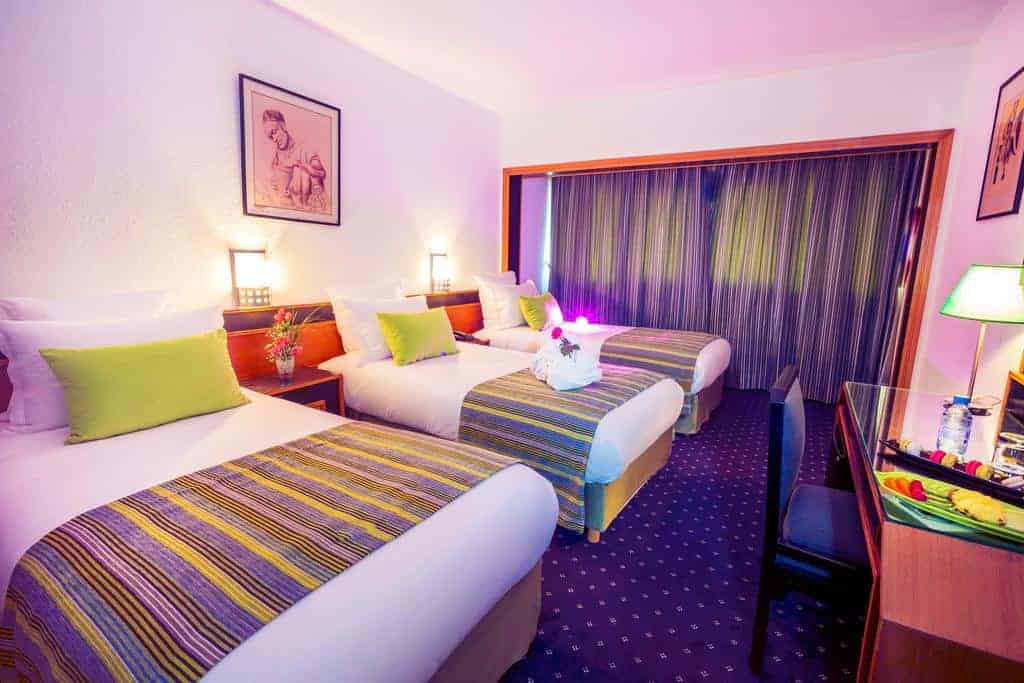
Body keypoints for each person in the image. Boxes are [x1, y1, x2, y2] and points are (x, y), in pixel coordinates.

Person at [261, 109, 327, 211]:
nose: (274, 139)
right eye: (271, 137)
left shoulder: (305, 150)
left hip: (306, 211)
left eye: (274, 132)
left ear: (283, 126)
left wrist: (305, 168)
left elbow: (321, 174)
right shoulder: (275, 162)